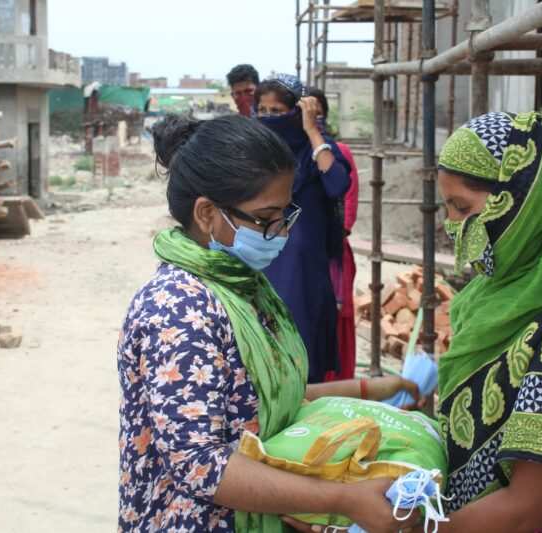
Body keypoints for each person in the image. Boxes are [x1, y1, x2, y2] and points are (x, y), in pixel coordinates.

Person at [289, 112, 542, 533]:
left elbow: (525, 511)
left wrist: (402, 529)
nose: (451, 225)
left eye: (462, 208)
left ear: (525, 205)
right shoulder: (493, 297)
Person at [117, 112, 426, 533]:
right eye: (266, 219)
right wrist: (343, 499)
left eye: (285, 214)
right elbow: (200, 465)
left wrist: (368, 392)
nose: (281, 233)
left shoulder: (243, 286)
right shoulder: (179, 310)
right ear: (207, 214)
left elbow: (257, 400)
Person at [255, 74, 350, 383]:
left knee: (304, 357)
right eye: (263, 111)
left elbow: (336, 184)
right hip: (264, 268)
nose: (269, 119)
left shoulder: (318, 152)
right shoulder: (256, 154)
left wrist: (311, 130)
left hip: (305, 275)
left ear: (297, 111)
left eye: (277, 111)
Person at [308, 86, 360, 381]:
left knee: (336, 319)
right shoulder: (291, 155)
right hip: (304, 253)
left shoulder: (338, 154)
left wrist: (335, 231)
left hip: (333, 252)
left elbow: (348, 198)